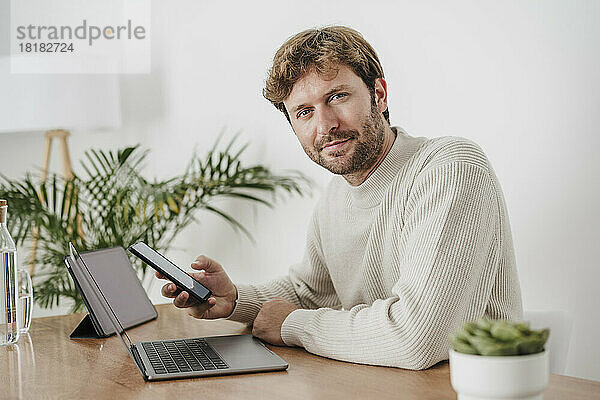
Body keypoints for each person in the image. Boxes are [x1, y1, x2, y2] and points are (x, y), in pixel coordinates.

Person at [157, 26, 523, 370]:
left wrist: (294, 326)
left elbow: (418, 338)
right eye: (304, 112)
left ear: (379, 95)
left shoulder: (450, 168)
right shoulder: (335, 198)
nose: (325, 125)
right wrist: (234, 299)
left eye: (337, 97)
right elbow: (310, 292)